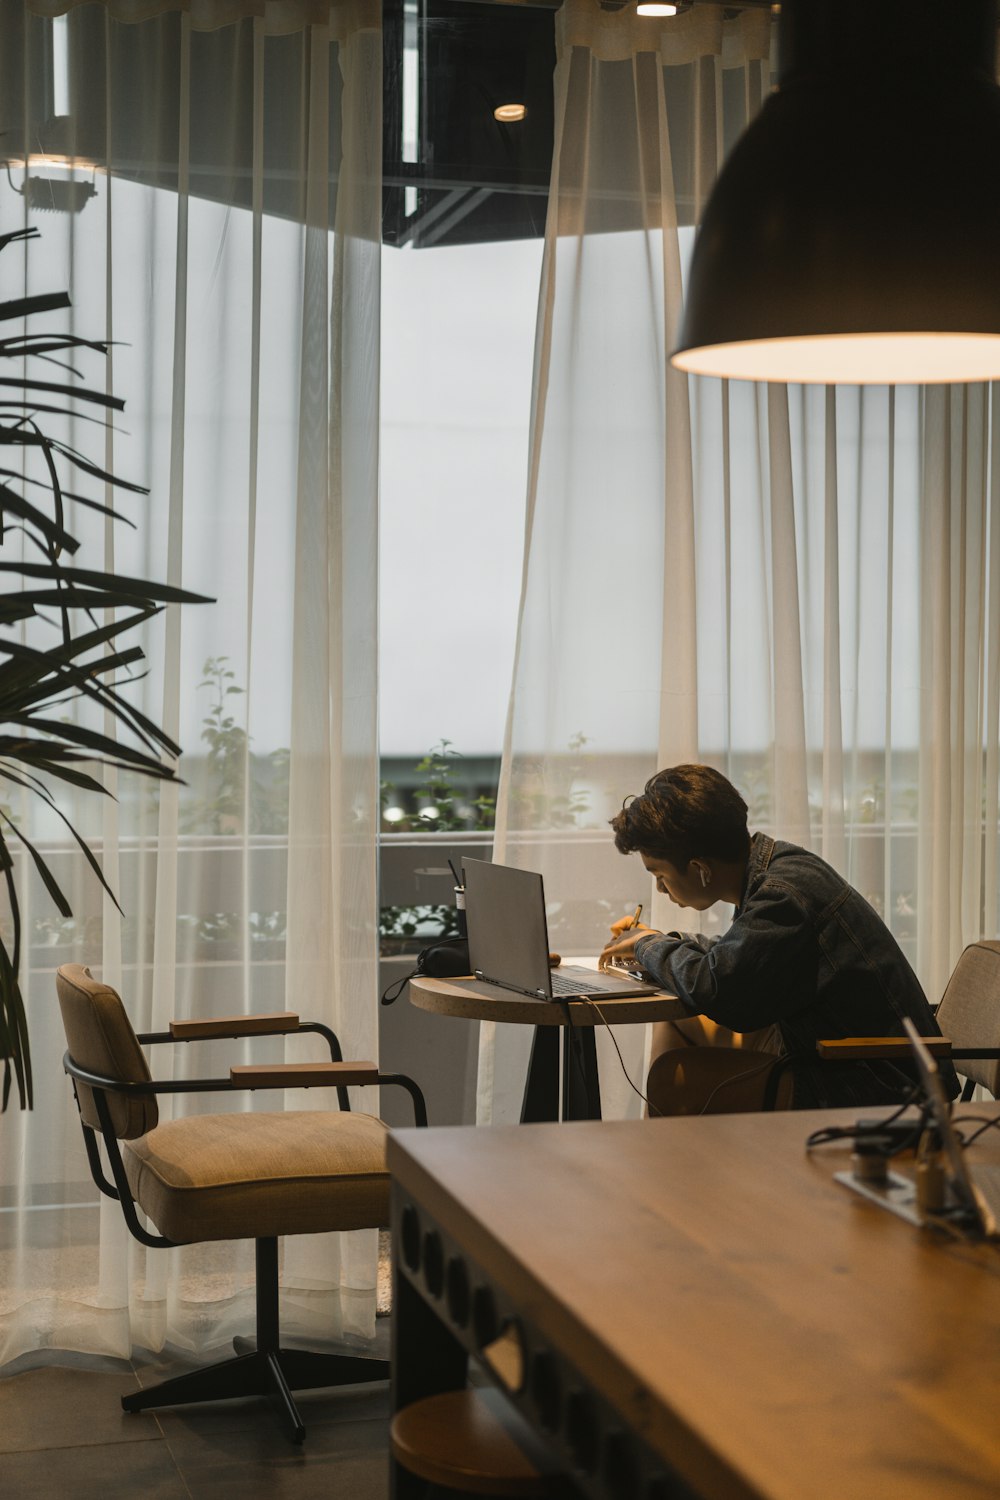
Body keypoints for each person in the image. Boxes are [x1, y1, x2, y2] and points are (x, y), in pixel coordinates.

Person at [600, 763, 958, 1112]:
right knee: (680, 1016)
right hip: (837, 1051)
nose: (660, 889)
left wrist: (650, 946)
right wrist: (663, 942)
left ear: (699, 868)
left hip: (876, 1080)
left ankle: (686, 1163)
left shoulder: (783, 894)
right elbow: (740, 959)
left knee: (671, 1080)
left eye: (659, 874)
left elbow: (720, 989)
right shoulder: (777, 866)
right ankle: (696, 1163)